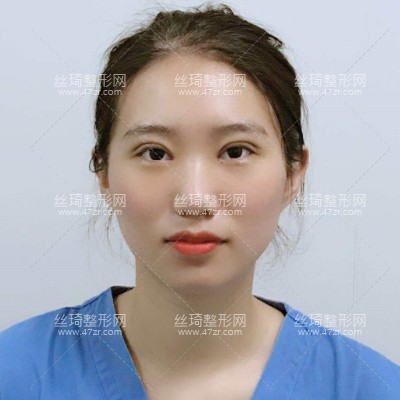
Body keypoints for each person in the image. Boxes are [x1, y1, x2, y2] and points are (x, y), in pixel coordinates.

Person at [1, 4, 399, 399]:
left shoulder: (371, 388)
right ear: (104, 173)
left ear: (293, 173)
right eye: (155, 153)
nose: (194, 200)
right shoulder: (15, 372)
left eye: (236, 151)